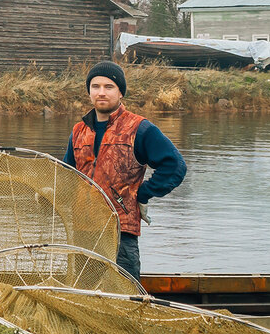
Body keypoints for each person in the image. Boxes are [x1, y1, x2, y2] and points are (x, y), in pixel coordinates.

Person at [63, 61, 186, 280]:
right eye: (95, 86)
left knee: (124, 296)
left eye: (109, 87)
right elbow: (67, 176)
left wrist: (144, 194)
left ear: (120, 92)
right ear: (89, 91)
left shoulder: (139, 128)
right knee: (83, 294)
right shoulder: (78, 131)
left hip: (121, 231)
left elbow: (175, 166)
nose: (101, 92)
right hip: (83, 231)